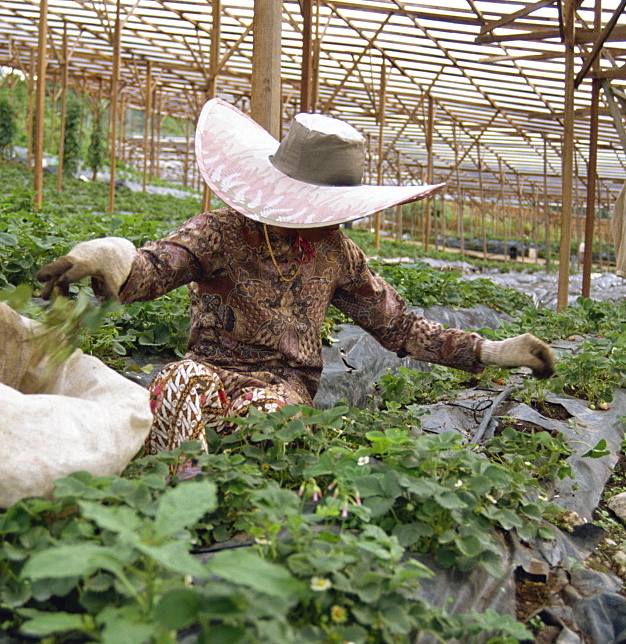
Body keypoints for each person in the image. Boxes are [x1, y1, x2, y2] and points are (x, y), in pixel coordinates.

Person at [37, 99, 555, 456]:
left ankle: (247, 497)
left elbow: (397, 326)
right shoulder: (221, 232)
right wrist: (110, 258)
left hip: (282, 385)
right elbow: (156, 269)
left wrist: (490, 351)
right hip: (210, 367)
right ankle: (181, 492)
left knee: (267, 415)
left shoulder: (338, 254)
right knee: (177, 382)